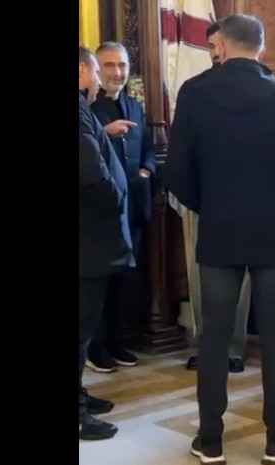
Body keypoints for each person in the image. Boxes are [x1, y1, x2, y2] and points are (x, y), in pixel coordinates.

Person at [164, 14, 275, 464]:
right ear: (261, 48)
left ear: (221, 46)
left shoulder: (194, 93)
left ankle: (210, 440)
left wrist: (209, 204)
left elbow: (175, 172)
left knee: (214, 336)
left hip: (219, 230)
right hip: (273, 232)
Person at [169, 22, 252, 374]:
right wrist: (196, 199)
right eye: (210, 47)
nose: (215, 53)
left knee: (241, 279)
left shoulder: (263, 90)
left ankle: (233, 348)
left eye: (219, 46)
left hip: (248, 201)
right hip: (203, 199)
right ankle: (207, 346)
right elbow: (181, 153)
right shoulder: (194, 90)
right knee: (201, 275)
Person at [85, 41, 155, 373]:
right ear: (97, 70)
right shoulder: (88, 108)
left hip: (134, 207)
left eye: (122, 65)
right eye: (109, 66)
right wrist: (105, 132)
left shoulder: (135, 106)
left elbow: (149, 148)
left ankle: (117, 340)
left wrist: (146, 171)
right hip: (102, 211)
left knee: (126, 281)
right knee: (101, 283)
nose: (117, 72)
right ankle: (95, 347)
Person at [78, 45, 133, 441]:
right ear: (82, 70)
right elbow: (90, 170)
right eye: (97, 70)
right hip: (86, 241)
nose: (99, 78)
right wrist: (116, 195)